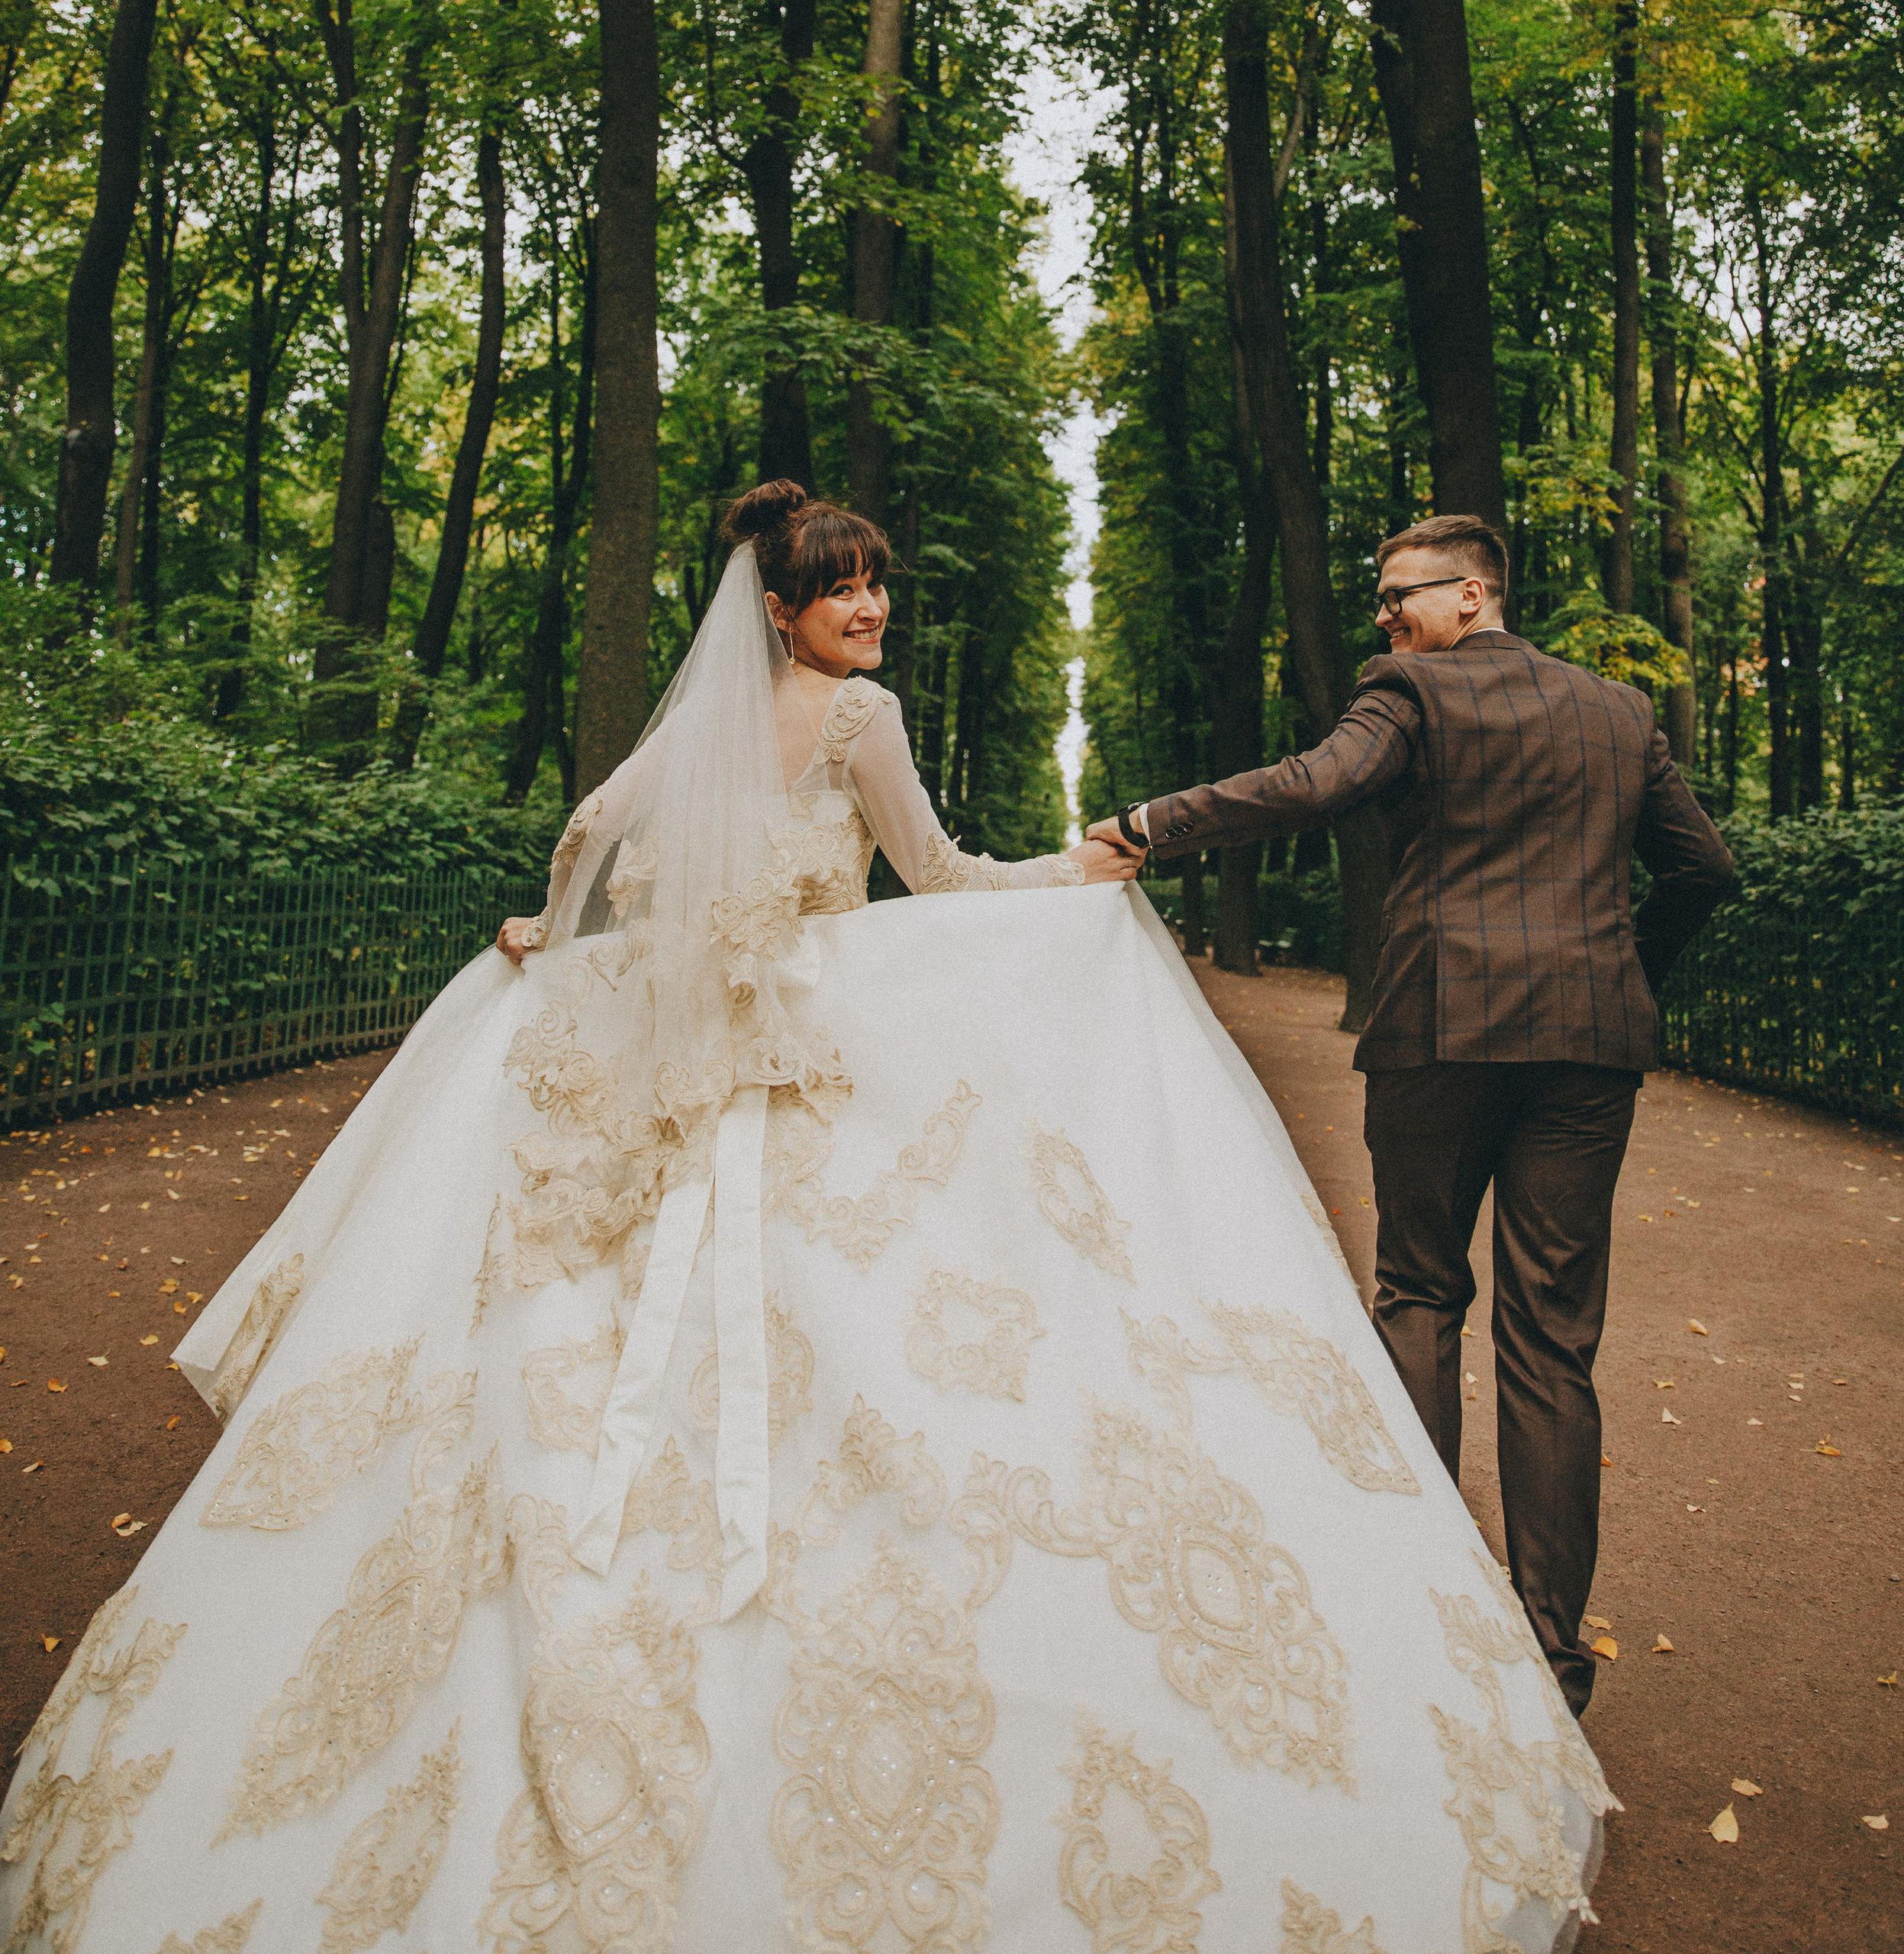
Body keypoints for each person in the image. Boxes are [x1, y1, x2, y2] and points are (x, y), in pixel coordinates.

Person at [2, 489, 1617, 1954]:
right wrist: (1076, 875)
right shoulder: (859, 719)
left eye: (876, 585)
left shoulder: (706, 722)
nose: (869, 608)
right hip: (801, 1056)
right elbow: (934, 877)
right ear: (781, 611)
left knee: (634, 1329)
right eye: (842, 589)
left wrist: (553, 930)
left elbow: (589, 830)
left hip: (688, 1053)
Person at [1091, 511, 1737, 1720]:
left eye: (1402, 596)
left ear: (1473, 596)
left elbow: (1315, 784)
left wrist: (1147, 824)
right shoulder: (1619, 712)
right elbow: (1705, 869)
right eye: (1381, 599)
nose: (1384, 616)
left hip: (1444, 1030)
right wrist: (1621, 975)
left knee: (1423, 1296)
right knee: (1553, 1340)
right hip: (1588, 1050)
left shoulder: (1413, 694)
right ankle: (1553, 1653)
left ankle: (1430, 1610)